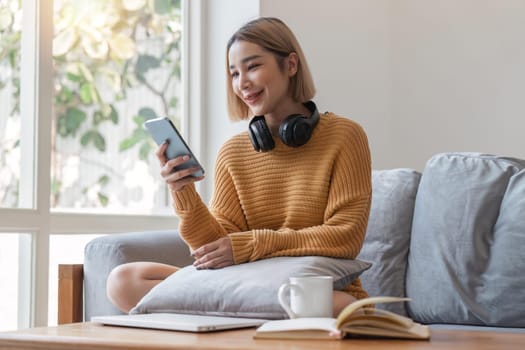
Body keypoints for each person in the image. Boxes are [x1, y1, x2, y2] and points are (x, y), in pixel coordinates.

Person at [106, 16, 372, 316]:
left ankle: (229, 320)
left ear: (291, 65)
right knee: (124, 280)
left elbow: (345, 237)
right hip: (242, 284)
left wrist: (251, 245)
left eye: (253, 67)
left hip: (308, 287)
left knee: (341, 308)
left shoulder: (345, 136)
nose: (241, 83)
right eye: (234, 73)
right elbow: (213, 248)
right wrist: (182, 191)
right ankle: (246, 319)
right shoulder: (233, 152)